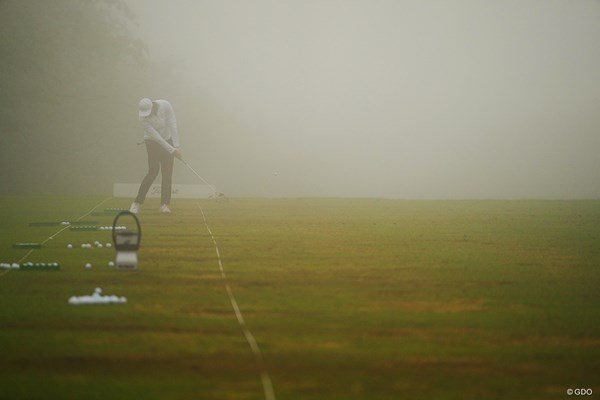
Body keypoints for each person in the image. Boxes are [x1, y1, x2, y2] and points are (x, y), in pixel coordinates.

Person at [130, 98, 182, 214]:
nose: (146, 115)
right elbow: (157, 138)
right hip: (152, 141)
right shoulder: (142, 119)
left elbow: (172, 124)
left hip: (168, 139)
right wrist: (172, 150)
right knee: (153, 171)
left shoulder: (165, 105)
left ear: (153, 107)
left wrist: (176, 146)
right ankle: (137, 203)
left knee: (167, 173)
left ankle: (164, 205)